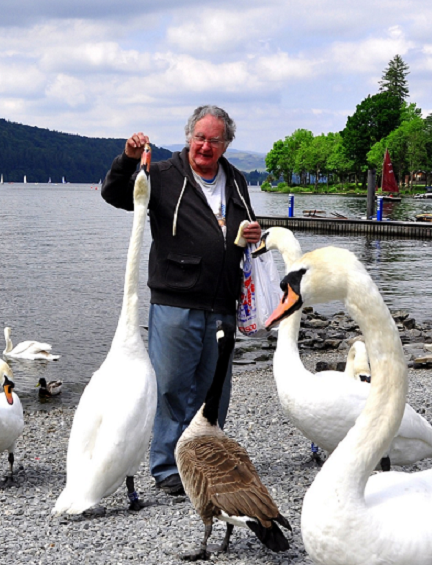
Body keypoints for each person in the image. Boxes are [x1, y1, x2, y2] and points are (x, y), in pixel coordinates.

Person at [101, 105, 261, 496]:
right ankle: (167, 467)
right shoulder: (162, 175)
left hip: (223, 302)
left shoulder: (236, 180)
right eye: (200, 138)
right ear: (189, 137)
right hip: (175, 300)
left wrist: (253, 233)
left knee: (214, 390)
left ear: (226, 144)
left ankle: (204, 461)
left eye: (215, 140)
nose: (206, 146)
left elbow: (241, 224)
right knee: (171, 387)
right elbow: (115, 194)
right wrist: (128, 159)